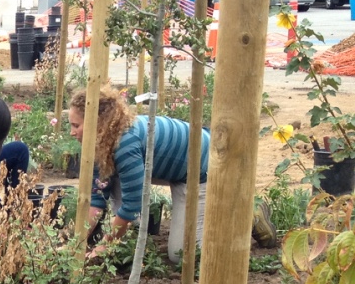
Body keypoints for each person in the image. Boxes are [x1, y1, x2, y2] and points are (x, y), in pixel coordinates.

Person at [68, 85, 276, 264]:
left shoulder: (126, 143)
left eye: (76, 125)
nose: (71, 132)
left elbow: (132, 205)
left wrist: (103, 247)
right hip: (169, 166)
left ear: (99, 122)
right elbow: (96, 199)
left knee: (183, 255)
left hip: (201, 168)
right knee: (117, 180)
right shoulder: (100, 145)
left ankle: (247, 215)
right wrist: (74, 246)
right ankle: (129, 238)